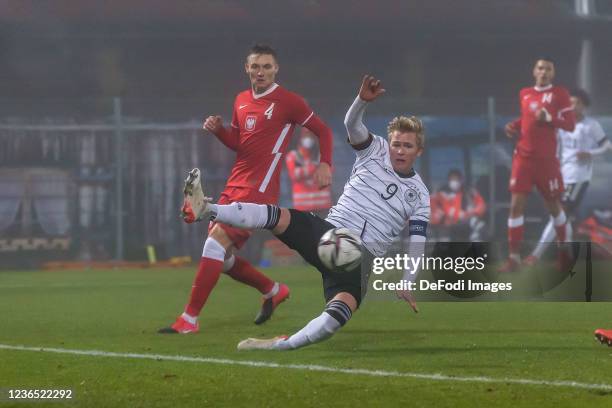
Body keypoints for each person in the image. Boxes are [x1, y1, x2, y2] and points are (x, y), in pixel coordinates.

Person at [181, 75, 430, 350]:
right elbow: (352, 124)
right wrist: (361, 101)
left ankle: (279, 346)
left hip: (361, 261)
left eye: (407, 146)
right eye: (397, 144)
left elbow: (417, 242)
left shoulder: (419, 195)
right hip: (333, 234)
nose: (399, 150)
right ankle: (208, 210)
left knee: (334, 319)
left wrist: (408, 281)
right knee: (277, 216)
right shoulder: (376, 149)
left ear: (418, 151)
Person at [159, 44, 333, 334]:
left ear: (276, 69)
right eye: (255, 66)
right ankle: (272, 290)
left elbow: (323, 130)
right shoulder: (240, 100)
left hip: (260, 188)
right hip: (235, 182)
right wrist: (219, 131)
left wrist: (325, 163)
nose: (261, 72)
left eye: (267, 66)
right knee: (222, 258)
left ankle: (189, 319)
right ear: (247, 69)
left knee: (214, 245)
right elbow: (239, 144)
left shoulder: (289, 101)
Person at [501, 57, 576, 272]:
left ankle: (564, 254)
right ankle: (513, 259)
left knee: (554, 208)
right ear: (534, 71)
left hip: (546, 162)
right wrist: (514, 125)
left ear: (553, 73)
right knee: (515, 206)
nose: (544, 72)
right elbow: (527, 119)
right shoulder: (525, 93)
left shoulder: (560, 94)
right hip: (523, 159)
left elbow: (570, 125)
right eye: (540, 68)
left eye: (548, 69)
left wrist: (550, 118)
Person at [525, 89, 611, 265]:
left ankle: (536, 255)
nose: (572, 106)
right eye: (569, 103)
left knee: (560, 213)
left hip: (579, 178)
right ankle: (566, 257)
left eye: (576, 103)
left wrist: (590, 153)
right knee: (562, 218)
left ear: (584, 105)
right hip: (562, 175)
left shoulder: (591, 125)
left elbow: (607, 146)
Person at [285, 130, 333, 217]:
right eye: (306, 135)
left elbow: (329, 171)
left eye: (311, 135)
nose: (309, 138)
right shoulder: (293, 155)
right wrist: (314, 167)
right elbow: (294, 174)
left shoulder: (322, 154)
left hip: (323, 206)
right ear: (300, 137)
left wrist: (306, 170)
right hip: (303, 207)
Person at [430, 169, 486, 242]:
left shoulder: (469, 192)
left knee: (479, 226)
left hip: (466, 224)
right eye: (452, 179)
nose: (454, 182)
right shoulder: (441, 193)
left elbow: (481, 205)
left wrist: (471, 213)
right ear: (448, 180)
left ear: (461, 180)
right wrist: (439, 214)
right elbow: (433, 205)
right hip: (446, 225)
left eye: (457, 179)